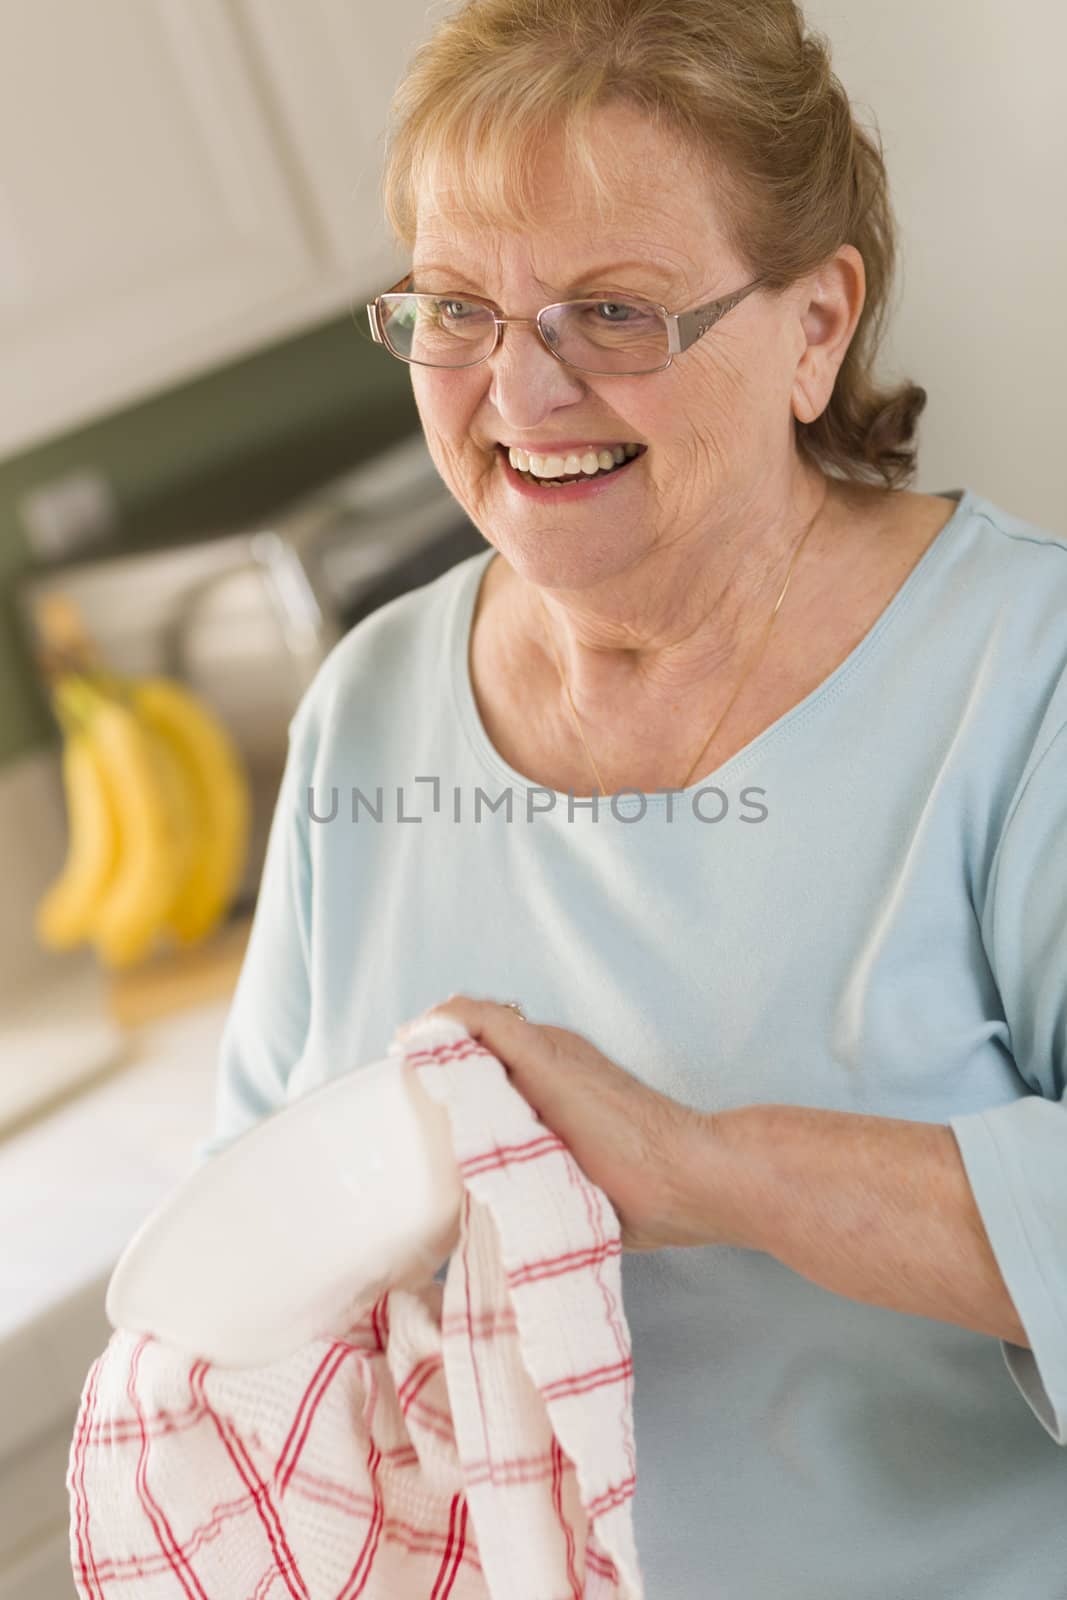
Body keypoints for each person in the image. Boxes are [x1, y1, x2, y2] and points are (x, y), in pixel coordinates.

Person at [195, 1, 1067, 1593]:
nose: (521, 396)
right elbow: (250, 1237)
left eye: (612, 312)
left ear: (816, 327)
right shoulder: (370, 709)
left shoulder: (1027, 680)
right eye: (456, 309)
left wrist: (704, 1168)